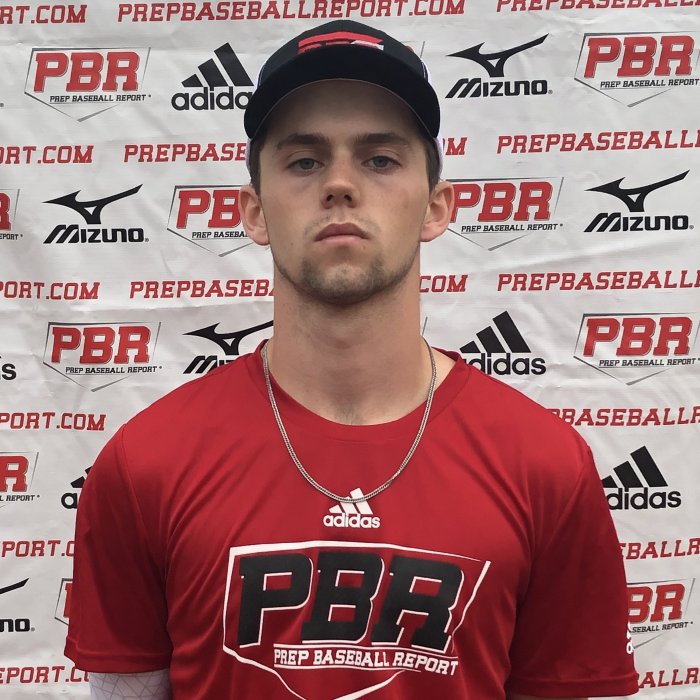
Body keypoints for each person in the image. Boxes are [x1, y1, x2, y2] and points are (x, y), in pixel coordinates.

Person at [65, 20, 638, 700]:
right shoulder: (145, 466)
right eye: (304, 161)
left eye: (380, 159)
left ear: (436, 206)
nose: (339, 184)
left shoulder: (545, 467)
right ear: (254, 211)